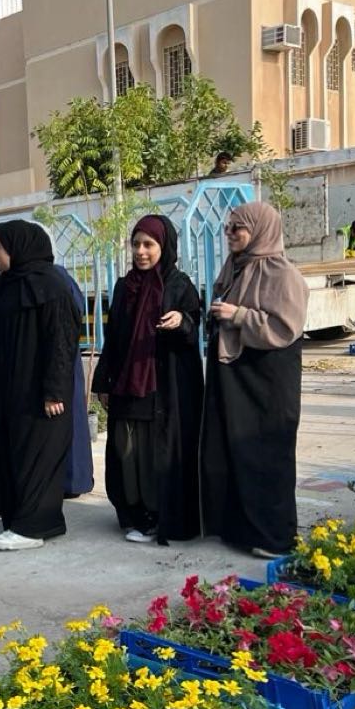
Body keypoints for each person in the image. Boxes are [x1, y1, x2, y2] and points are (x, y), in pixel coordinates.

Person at [201, 201, 309, 558]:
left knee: (267, 453)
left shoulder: (283, 274)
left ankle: (274, 537)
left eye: (238, 228)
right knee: (237, 451)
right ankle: (240, 529)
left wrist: (239, 316)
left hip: (269, 379)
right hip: (237, 375)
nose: (230, 234)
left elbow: (285, 327)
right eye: (228, 228)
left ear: (261, 230)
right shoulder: (235, 267)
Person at [91, 215, 203, 545]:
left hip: (161, 387)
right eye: (136, 244)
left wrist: (182, 320)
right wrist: (103, 381)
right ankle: (134, 513)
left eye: (148, 245)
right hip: (127, 385)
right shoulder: (125, 287)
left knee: (155, 455)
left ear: (164, 247)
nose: (141, 251)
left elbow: (193, 329)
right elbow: (113, 337)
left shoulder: (178, 285)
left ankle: (157, 515)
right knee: (127, 453)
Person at [0, 221, 81, 551]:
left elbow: (61, 341)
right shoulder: (6, 285)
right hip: (9, 389)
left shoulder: (51, 286)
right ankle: (18, 519)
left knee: (37, 456)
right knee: (13, 453)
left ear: (18, 249)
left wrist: (54, 390)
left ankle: (34, 528)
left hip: (41, 394)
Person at [57, 266, 94, 498]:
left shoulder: (55, 277)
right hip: (67, 359)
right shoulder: (59, 276)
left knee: (70, 420)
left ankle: (73, 479)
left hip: (62, 360)